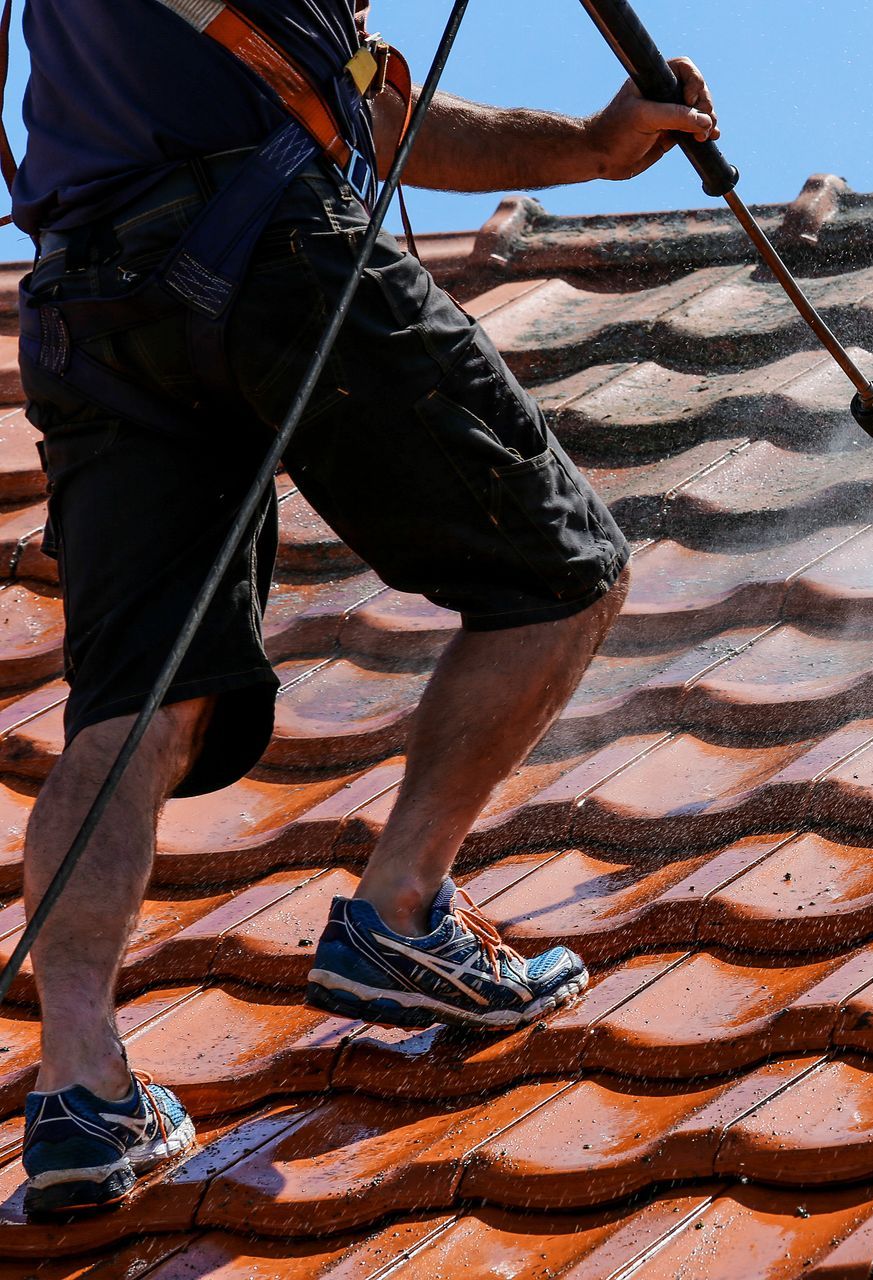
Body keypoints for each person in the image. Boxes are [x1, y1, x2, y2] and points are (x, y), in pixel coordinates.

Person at [9, 0, 715, 1218]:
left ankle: (79, 1087)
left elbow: (356, 97)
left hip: (92, 302)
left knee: (133, 706)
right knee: (562, 571)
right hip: (269, 246)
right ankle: (400, 911)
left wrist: (593, 150)